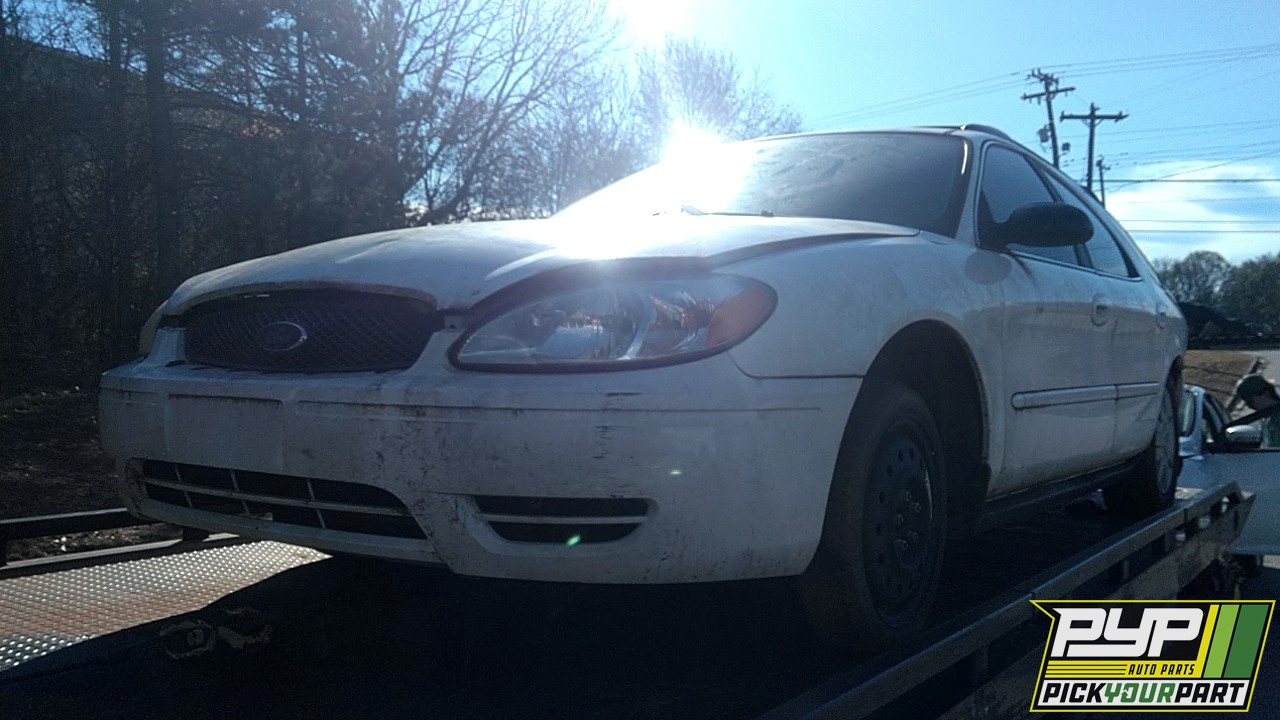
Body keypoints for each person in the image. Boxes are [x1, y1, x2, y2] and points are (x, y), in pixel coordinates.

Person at [1235, 373, 1280, 448]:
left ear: (1265, 393)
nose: (1249, 406)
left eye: (1250, 401)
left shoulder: (1276, 418)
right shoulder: (1265, 419)